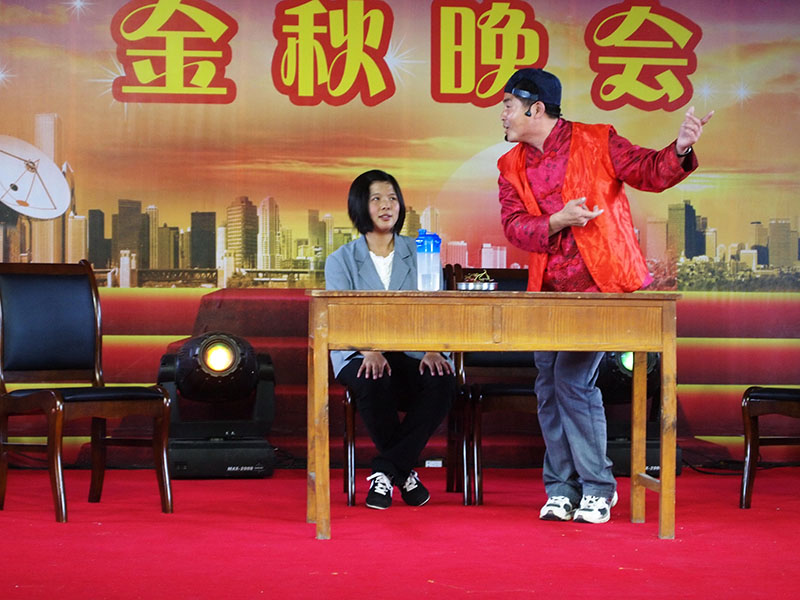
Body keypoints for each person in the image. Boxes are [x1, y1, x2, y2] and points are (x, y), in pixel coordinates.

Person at [496, 68, 712, 524]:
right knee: (548, 387)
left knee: (572, 380)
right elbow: (514, 227)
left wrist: (680, 148)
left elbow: (649, 171)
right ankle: (561, 489)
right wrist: (559, 220)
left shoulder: (597, 140)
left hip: (602, 289)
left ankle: (598, 488)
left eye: (509, 106)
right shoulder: (510, 166)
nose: (503, 115)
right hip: (549, 295)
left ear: (536, 108)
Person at [325, 169, 456, 510]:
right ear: (360, 206)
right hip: (358, 353)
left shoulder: (422, 251)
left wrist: (432, 349)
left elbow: (437, 309)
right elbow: (341, 317)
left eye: (393, 198)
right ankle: (404, 474)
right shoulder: (340, 261)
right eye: (377, 199)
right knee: (372, 374)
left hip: (413, 352)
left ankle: (387, 469)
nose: (387, 206)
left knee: (442, 379)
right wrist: (369, 349)